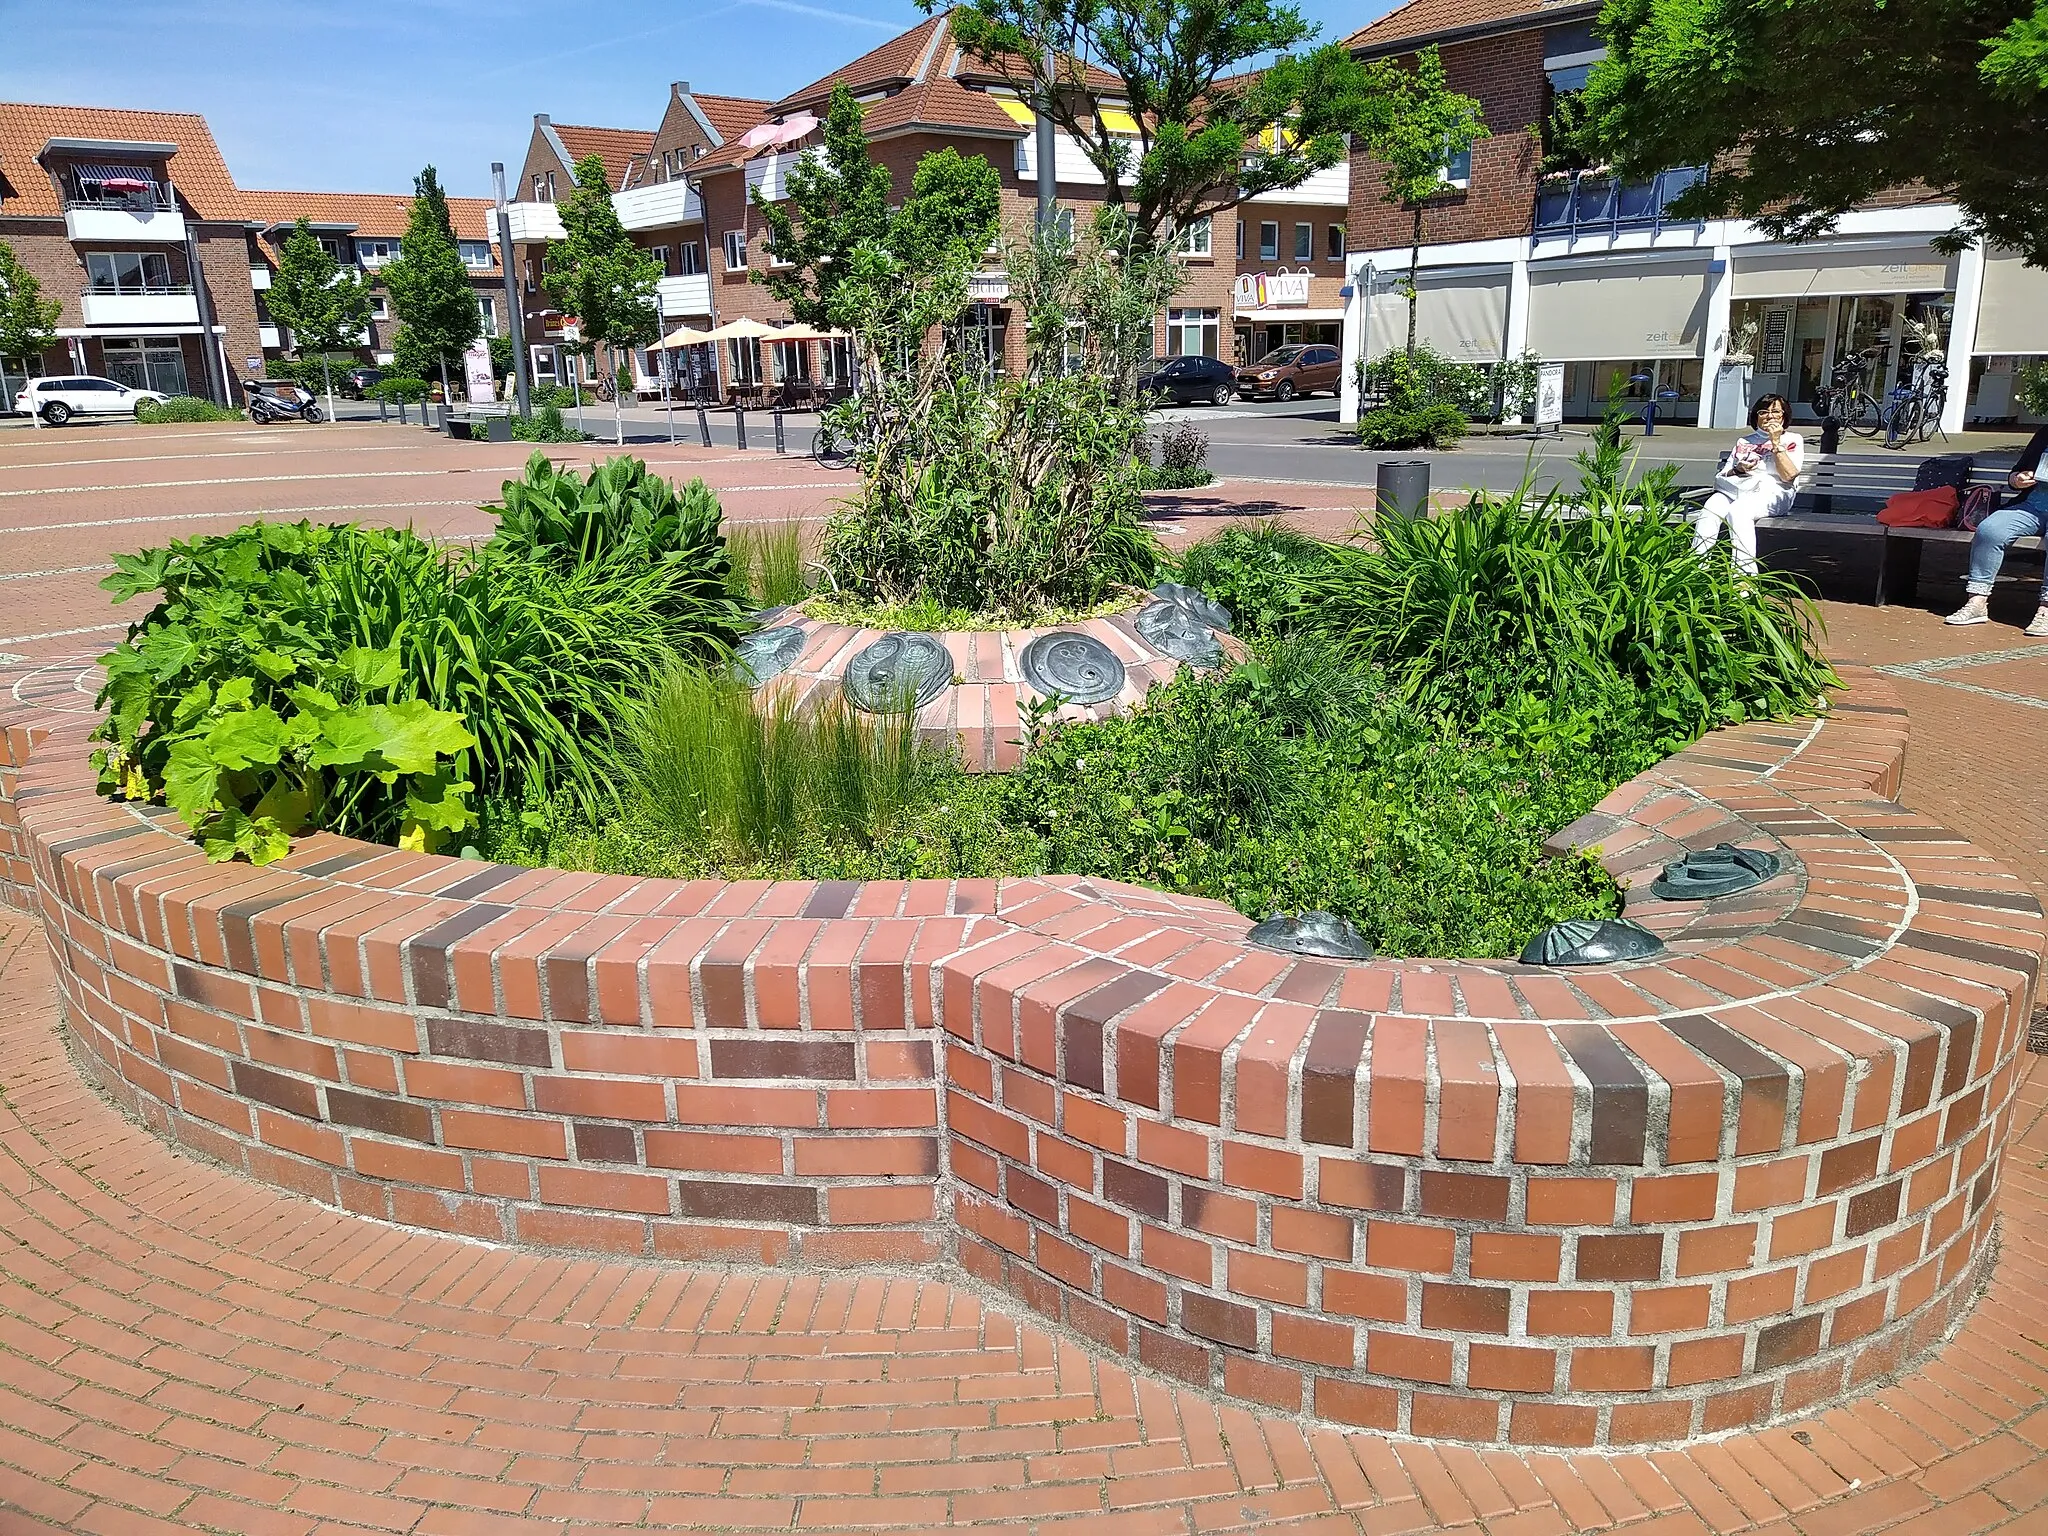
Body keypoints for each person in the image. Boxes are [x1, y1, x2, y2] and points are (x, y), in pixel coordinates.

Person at [1945, 424, 2048, 635]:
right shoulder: (2046, 433)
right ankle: (1977, 602)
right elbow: (2015, 476)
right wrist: (2018, 480)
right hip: (2032, 506)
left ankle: (2045, 609)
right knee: (1990, 530)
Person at [1691, 394, 1805, 575]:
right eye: (1763, 412)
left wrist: (1775, 442)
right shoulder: (1744, 441)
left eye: (1775, 411)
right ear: (1756, 417)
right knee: (1710, 509)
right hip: (1739, 488)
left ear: (1784, 416)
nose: (1769, 416)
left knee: (1738, 511)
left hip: (1774, 492)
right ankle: (1696, 569)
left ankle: (1744, 577)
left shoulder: (1793, 439)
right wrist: (1739, 468)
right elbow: (1724, 474)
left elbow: (1789, 476)